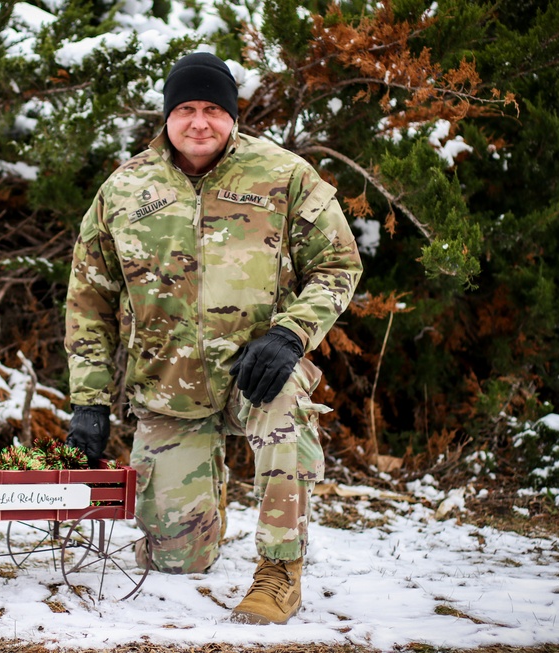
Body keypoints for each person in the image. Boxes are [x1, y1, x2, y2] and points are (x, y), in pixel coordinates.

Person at [64, 51, 363, 625]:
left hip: (259, 373)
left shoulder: (285, 176)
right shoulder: (124, 191)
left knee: (283, 408)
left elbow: (338, 265)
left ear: (231, 115)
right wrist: (89, 402)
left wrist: (289, 335)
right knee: (177, 562)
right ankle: (199, 508)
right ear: (167, 115)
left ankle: (279, 571)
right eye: (185, 109)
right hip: (168, 389)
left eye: (212, 109)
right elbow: (89, 301)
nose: (199, 122)